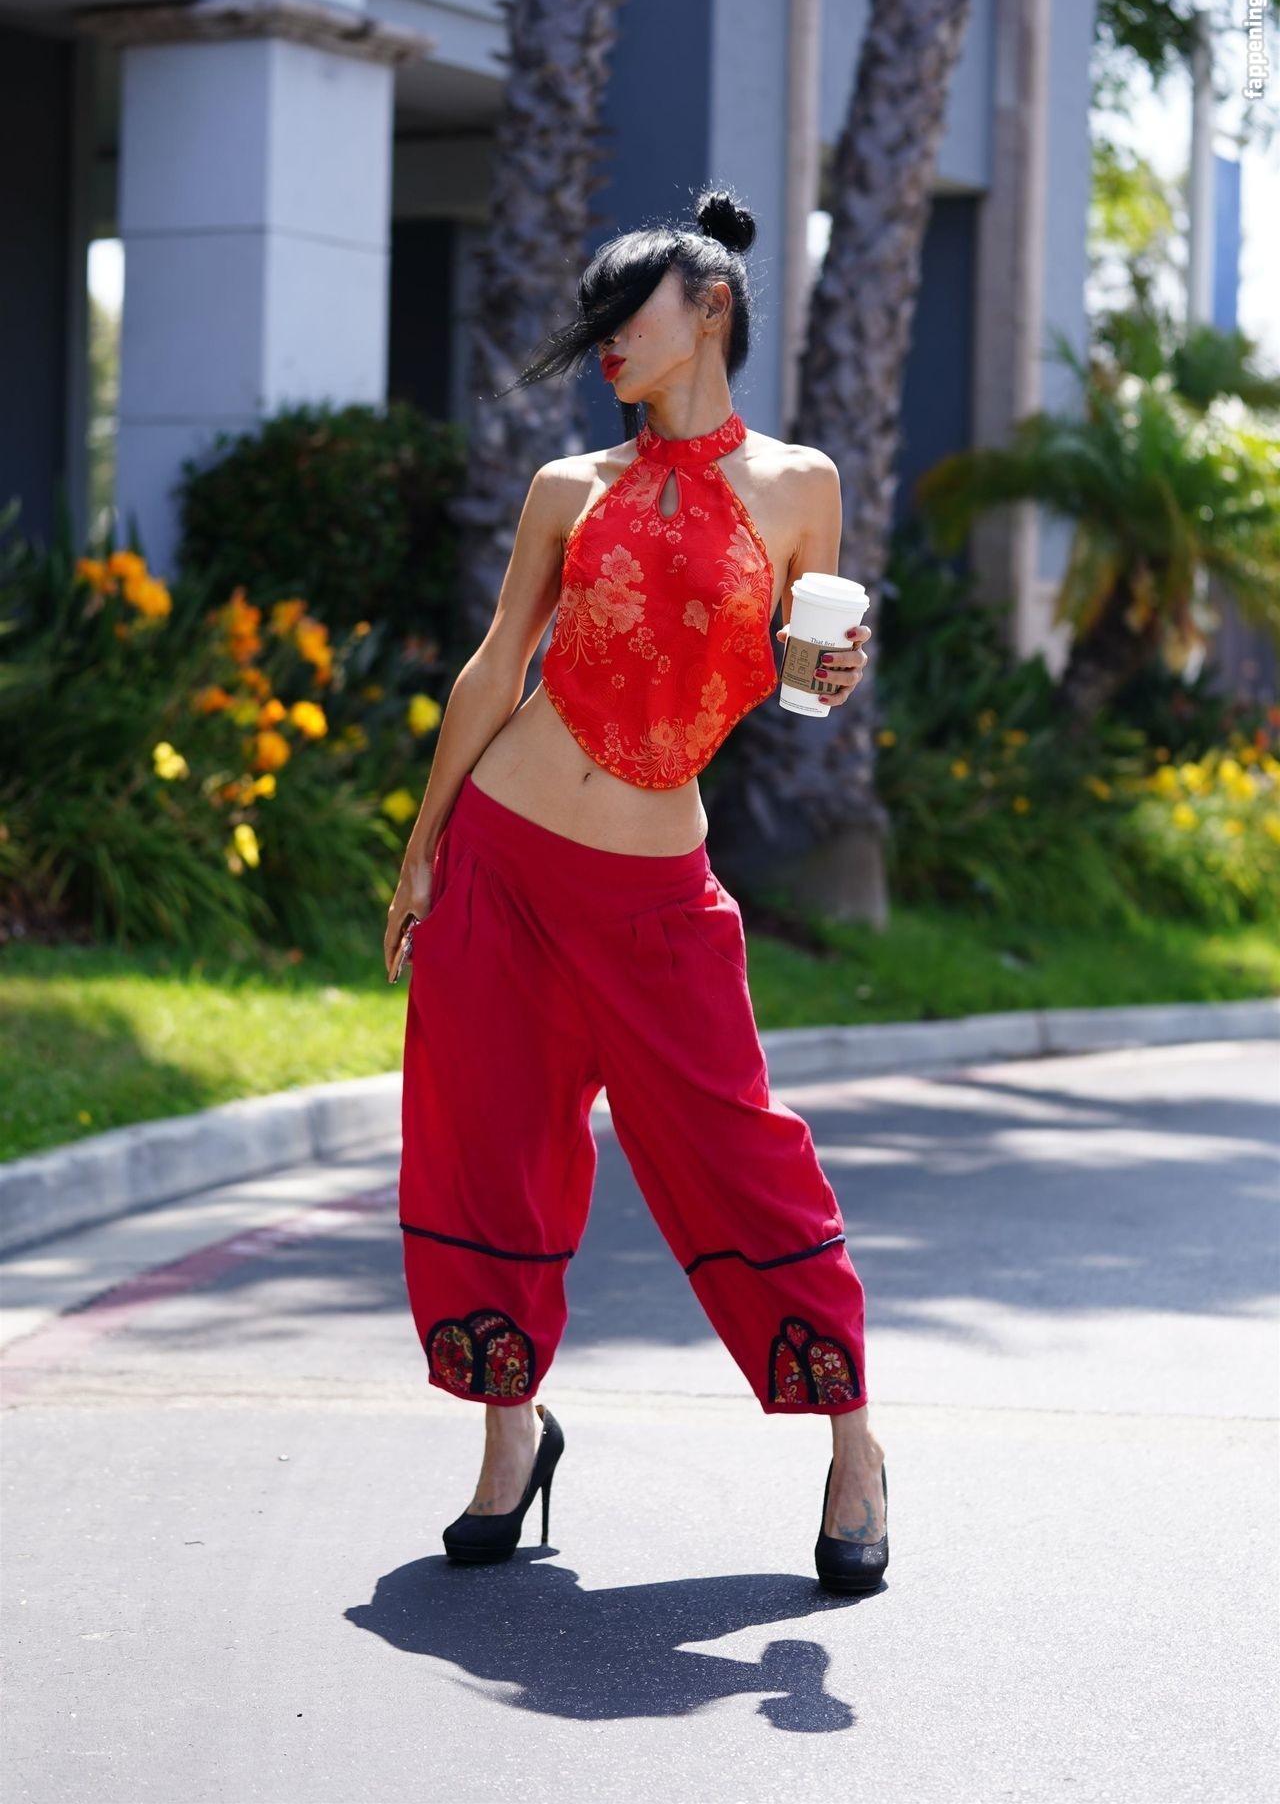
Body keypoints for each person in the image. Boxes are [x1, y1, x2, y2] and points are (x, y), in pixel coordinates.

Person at [386, 186, 887, 1593]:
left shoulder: (800, 485)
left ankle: (852, 1442)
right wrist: (425, 847)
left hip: (657, 892)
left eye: (629, 312)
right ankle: (510, 1432)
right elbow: (499, 666)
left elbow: (803, 673)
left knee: (737, 1150)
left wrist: (834, 673)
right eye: (595, 318)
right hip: (501, 856)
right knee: (489, 1134)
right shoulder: (570, 487)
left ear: (710, 309)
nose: (605, 339)